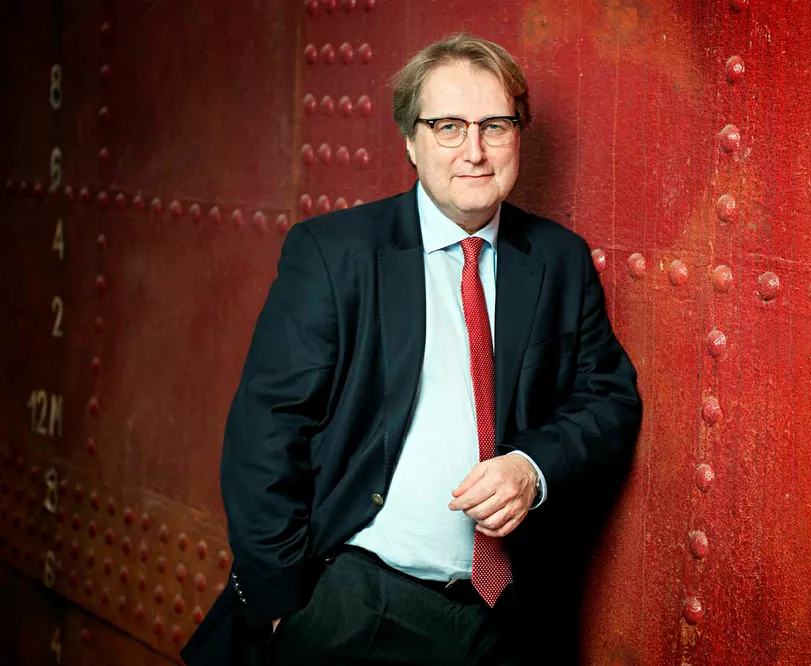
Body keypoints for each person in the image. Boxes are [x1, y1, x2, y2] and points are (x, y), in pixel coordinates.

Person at [182, 34, 640, 666]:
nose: (474, 150)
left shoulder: (559, 260)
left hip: (506, 620)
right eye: (448, 126)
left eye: (495, 125)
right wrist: (287, 608)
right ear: (409, 140)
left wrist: (531, 468)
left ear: (518, 136)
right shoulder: (335, 253)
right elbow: (266, 433)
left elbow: (608, 399)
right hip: (357, 608)